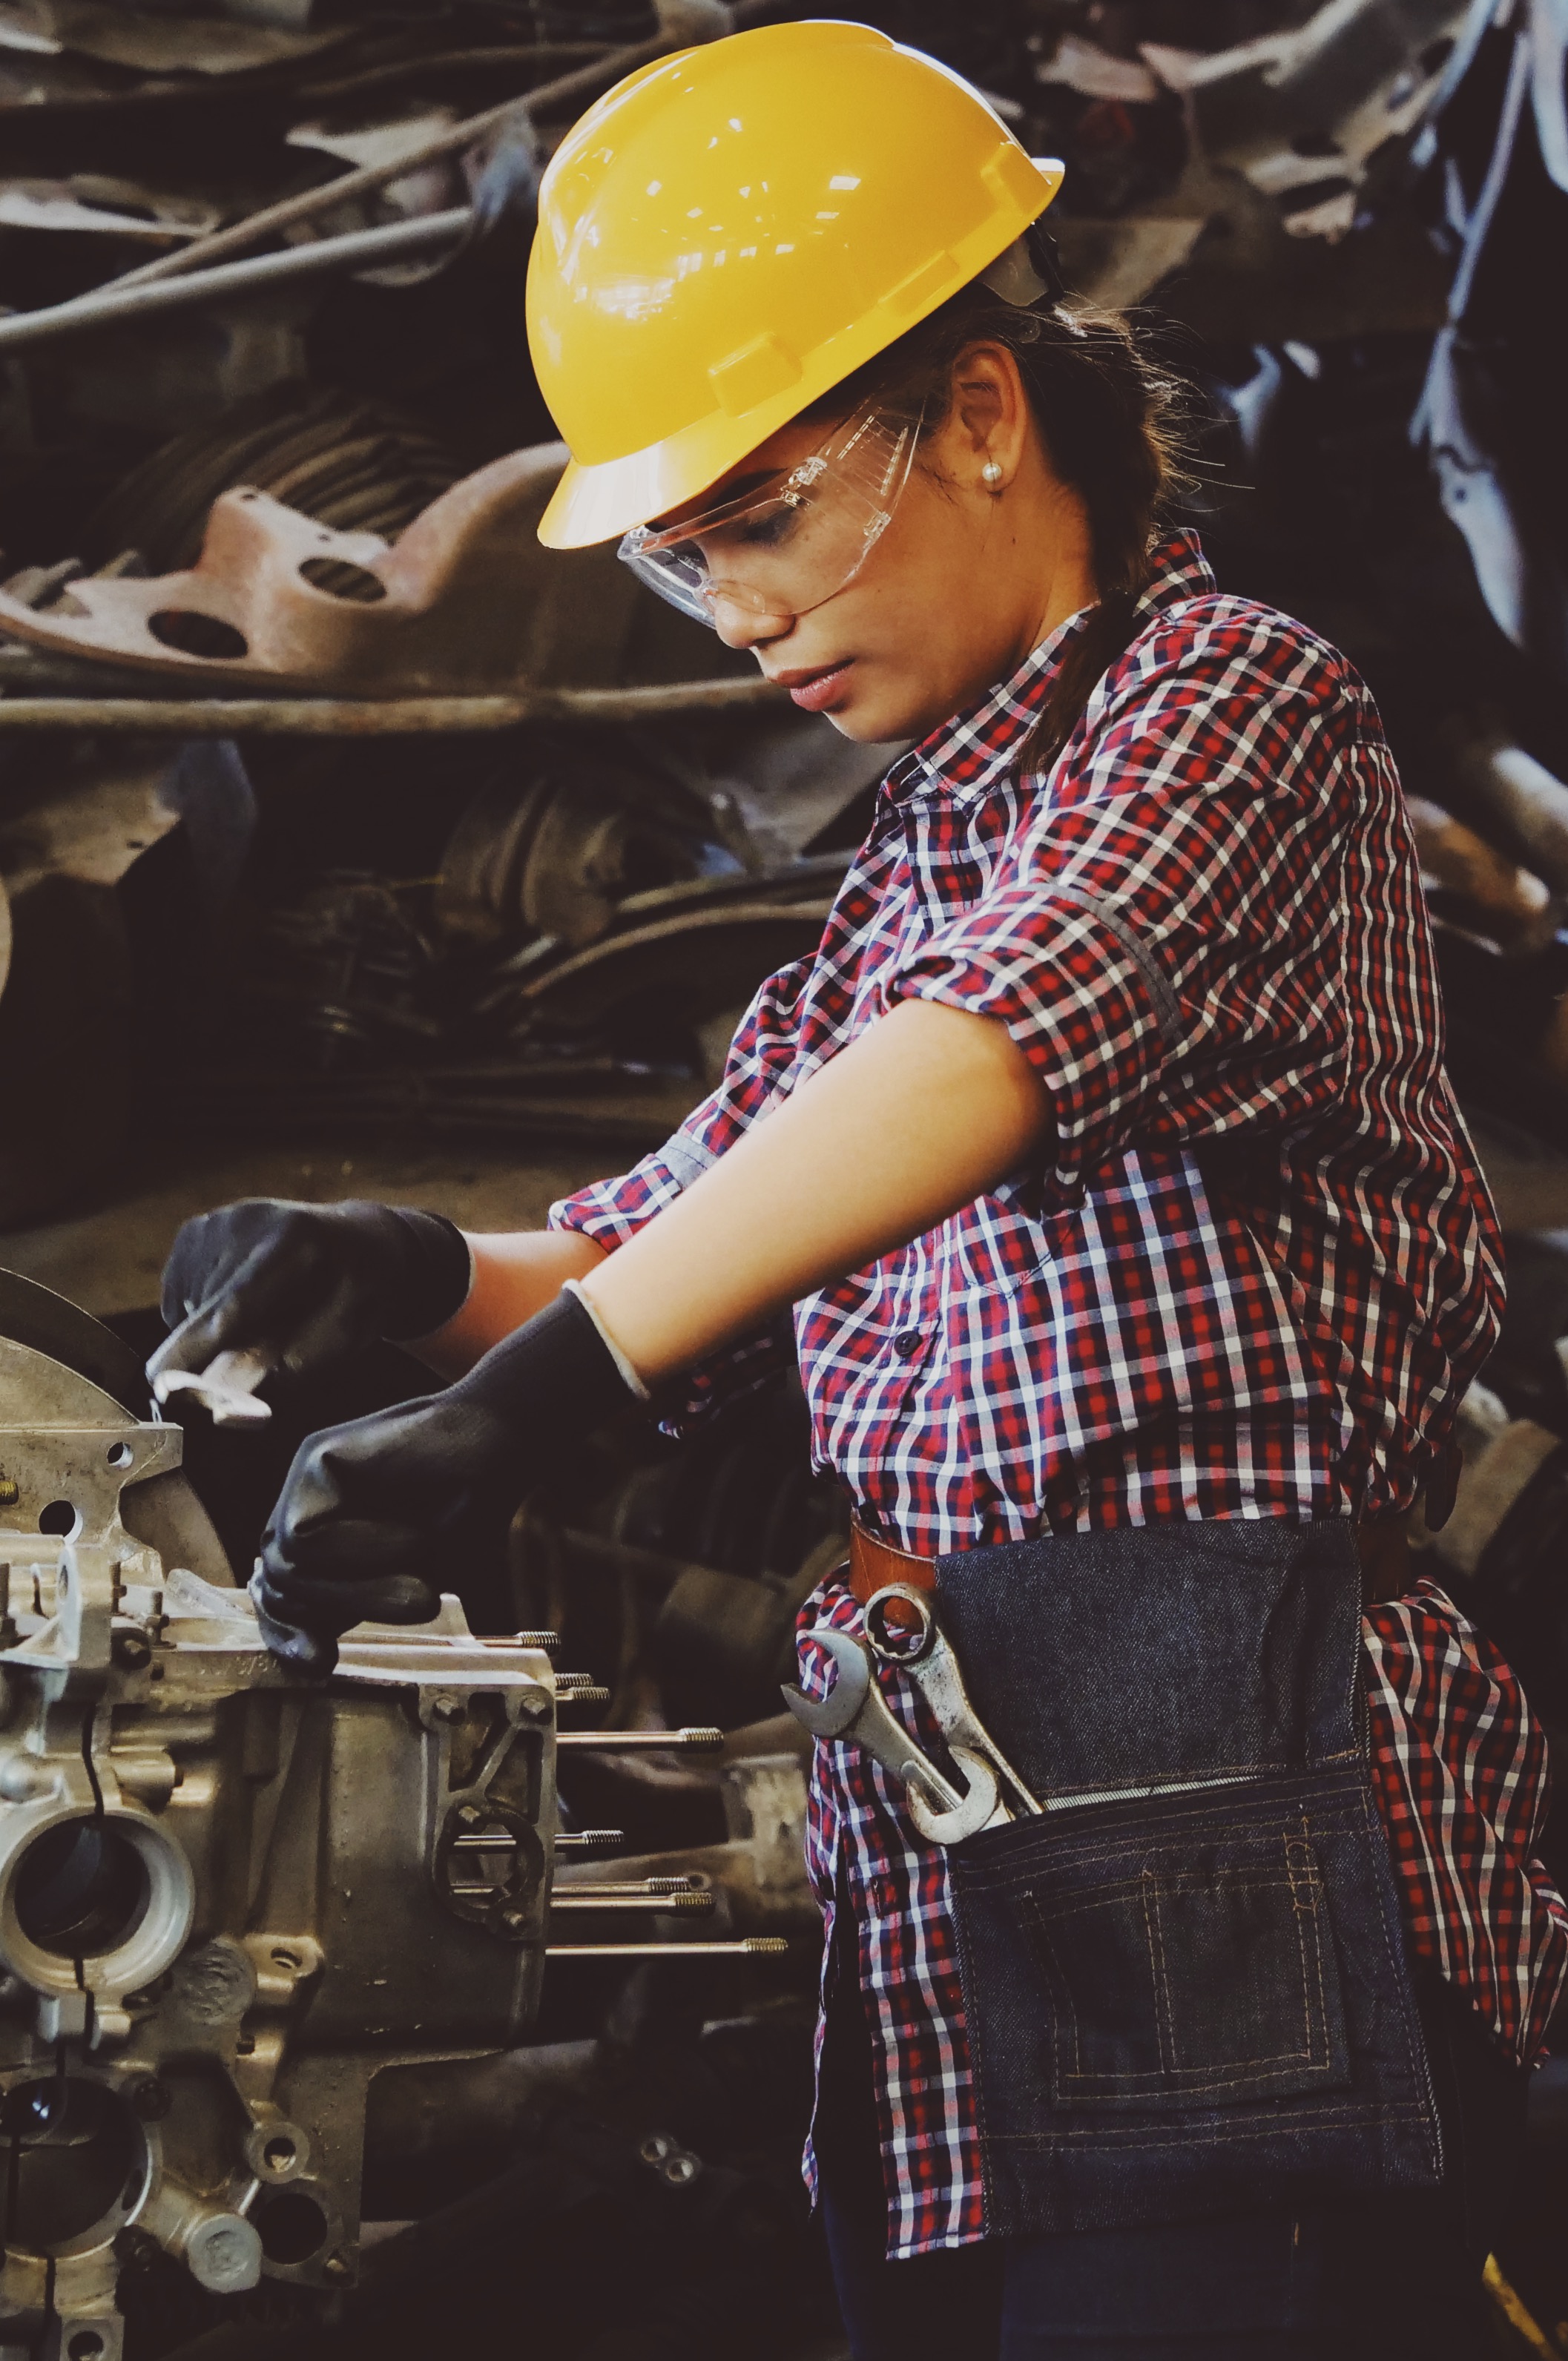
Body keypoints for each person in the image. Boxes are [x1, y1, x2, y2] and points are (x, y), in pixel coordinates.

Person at [149, 22, 1567, 2358]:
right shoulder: (921, 856)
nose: (734, 615)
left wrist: (555, 1397)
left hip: (1235, 1804)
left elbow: (985, 1053)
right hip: (956, 1840)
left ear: (985, 414)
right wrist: (398, 1278)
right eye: (688, 558)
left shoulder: (1228, 705)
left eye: (766, 516)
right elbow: (668, 1232)